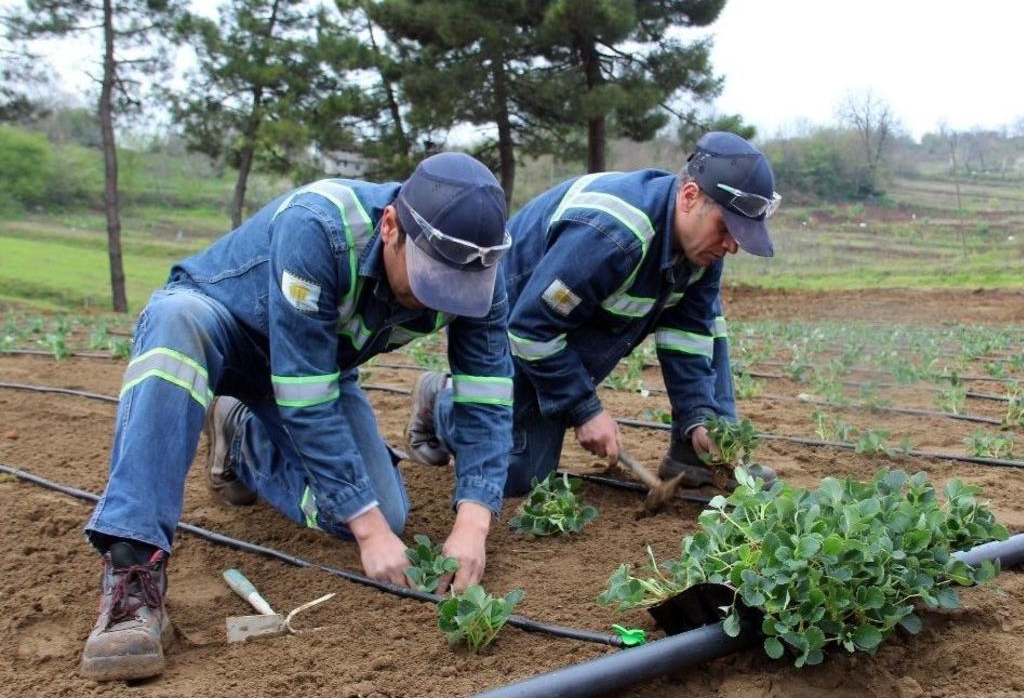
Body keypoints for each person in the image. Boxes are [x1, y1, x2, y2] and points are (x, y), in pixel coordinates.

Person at [79, 153, 515, 681]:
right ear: (391, 226)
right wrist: (369, 531)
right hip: (223, 328)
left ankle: (239, 437)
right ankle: (133, 567)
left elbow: (488, 393)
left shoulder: (480, 266)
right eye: (428, 280)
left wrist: (474, 520)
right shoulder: (320, 225)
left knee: (378, 515)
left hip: (314, 366)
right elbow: (305, 400)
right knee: (177, 324)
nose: (435, 299)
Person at [407, 132, 778, 495]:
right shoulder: (612, 235)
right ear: (689, 195)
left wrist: (699, 416)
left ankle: (699, 453)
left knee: (711, 326)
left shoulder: (703, 248)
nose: (732, 246)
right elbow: (529, 331)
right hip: (515, 317)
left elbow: (690, 334)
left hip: (574, 318)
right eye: (727, 228)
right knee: (517, 475)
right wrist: (585, 409)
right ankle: (443, 400)